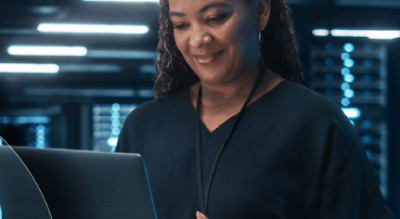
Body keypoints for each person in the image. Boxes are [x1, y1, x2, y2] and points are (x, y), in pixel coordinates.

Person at [116, 0, 394, 218]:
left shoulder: (317, 123)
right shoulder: (143, 126)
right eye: (181, 25)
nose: (198, 39)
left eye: (215, 18)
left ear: (261, 11)